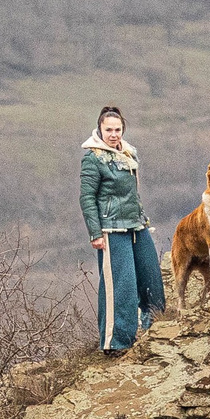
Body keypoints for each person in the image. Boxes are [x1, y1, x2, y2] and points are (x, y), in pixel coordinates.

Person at [80, 104, 164, 354]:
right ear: (100, 129)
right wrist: (95, 233)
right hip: (111, 229)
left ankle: (154, 328)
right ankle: (116, 342)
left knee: (152, 278)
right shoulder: (93, 158)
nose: (114, 134)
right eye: (109, 130)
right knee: (121, 286)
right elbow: (87, 198)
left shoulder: (128, 153)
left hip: (136, 224)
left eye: (117, 129)